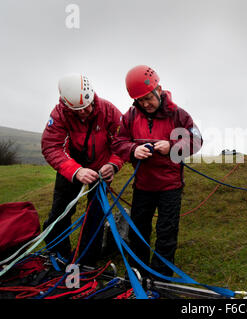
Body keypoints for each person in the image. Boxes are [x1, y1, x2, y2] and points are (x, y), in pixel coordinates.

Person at [112, 65, 203, 280]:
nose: (145, 104)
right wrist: (134, 150)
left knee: (166, 232)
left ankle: (161, 278)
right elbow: (118, 142)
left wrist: (171, 146)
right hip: (142, 185)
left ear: (159, 90)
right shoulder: (130, 116)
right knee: (138, 231)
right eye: (140, 100)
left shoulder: (179, 115)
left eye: (148, 98)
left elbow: (196, 141)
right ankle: (137, 273)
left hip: (170, 187)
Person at [41, 74, 124, 265]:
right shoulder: (59, 114)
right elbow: (51, 146)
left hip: (101, 169)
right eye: (78, 109)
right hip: (70, 168)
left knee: (95, 214)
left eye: (88, 105)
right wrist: (75, 171)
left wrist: (113, 165)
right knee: (60, 212)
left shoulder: (108, 110)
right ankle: (58, 255)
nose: (86, 111)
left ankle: (87, 261)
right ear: (65, 104)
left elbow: (122, 142)